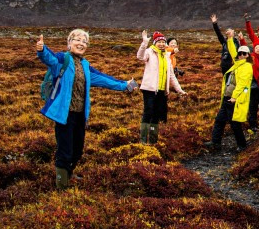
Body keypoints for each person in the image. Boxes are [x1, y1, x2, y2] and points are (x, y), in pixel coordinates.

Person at [36, 31, 137, 190]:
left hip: (80, 115)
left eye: (85, 41)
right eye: (77, 40)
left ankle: (68, 174)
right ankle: (61, 186)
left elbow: (103, 78)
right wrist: (42, 49)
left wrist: (125, 85)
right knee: (65, 149)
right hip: (64, 114)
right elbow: (50, 59)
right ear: (69, 43)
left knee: (77, 150)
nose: (81, 43)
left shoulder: (85, 65)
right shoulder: (63, 59)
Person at [137, 30, 186, 145]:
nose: (161, 44)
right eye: (159, 42)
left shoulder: (167, 56)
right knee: (148, 111)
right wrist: (144, 43)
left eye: (163, 42)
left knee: (156, 114)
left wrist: (180, 90)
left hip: (161, 90)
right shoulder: (149, 52)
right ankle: (143, 139)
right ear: (154, 43)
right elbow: (140, 56)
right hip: (149, 89)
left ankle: (153, 139)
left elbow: (172, 76)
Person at [206, 45, 254, 151]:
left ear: (248, 55)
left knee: (235, 123)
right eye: (240, 53)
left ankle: (242, 145)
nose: (241, 55)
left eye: (244, 53)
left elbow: (242, 84)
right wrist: (230, 39)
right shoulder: (237, 65)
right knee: (220, 120)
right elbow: (232, 50)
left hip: (233, 100)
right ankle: (215, 142)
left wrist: (234, 97)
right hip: (227, 98)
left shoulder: (246, 67)